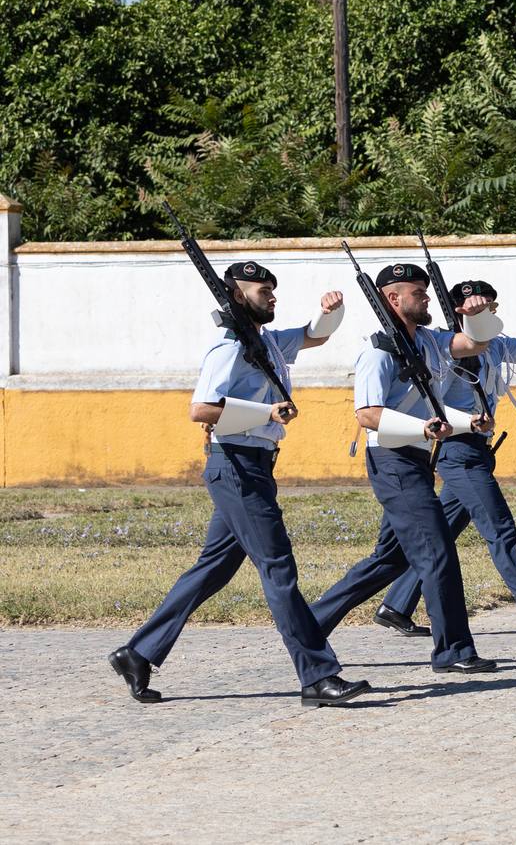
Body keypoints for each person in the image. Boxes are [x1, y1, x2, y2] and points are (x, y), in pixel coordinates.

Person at [109, 261, 369, 707]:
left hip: (252, 466)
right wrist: (264, 414)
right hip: (236, 465)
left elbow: (314, 335)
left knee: (213, 568)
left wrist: (331, 311)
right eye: (261, 290)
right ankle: (317, 676)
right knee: (279, 568)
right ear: (235, 294)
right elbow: (201, 409)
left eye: (273, 289)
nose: (271, 296)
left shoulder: (263, 340)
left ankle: (138, 652)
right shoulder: (228, 346)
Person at [307, 263, 498, 673]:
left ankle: (310, 623)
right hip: (392, 462)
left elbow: (476, 344)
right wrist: (426, 428)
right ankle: (454, 651)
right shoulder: (377, 350)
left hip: (414, 459)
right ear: (393, 299)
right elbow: (369, 414)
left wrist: (479, 314)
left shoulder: (429, 340)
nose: (427, 298)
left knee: (391, 560)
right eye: (418, 292)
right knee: (437, 551)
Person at [371, 279, 516, 642]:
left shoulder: (495, 345)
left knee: (444, 533)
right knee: (500, 530)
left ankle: (396, 605)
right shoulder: (443, 347)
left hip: (478, 450)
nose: (484, 312)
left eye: (489, 307)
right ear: (458, 311)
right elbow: (432, 396)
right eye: (476, 308)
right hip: (457, 448)